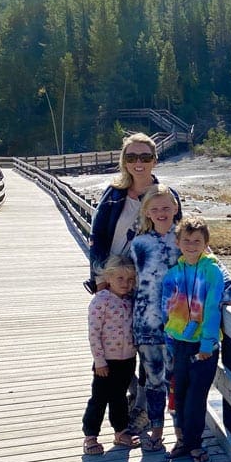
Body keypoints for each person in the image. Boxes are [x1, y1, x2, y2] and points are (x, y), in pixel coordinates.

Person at [130, 187, 231, 454]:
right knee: (153, 380)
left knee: (176, 383)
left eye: (166, 207)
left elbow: (215, 267)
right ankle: (156, 429)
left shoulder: (185, 238)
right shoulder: (139, 244)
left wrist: (230, 293)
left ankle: (181, 435)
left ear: (175, 208)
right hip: (147, 322)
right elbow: (125, 273)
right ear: (146, 212)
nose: (161, 213)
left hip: (178, 328)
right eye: (154, 209)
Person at [86, 133, 181, 431]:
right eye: (131, 157)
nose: (138, 163)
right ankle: (122, 399)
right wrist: (101, 279)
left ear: (154, 159)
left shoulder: (164, 194)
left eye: (144, 157)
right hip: (115, 282)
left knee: (146, 347)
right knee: (116, 343)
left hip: (150, 287)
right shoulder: (113, 194)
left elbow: (179, 239)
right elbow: (97, 238)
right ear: (124, 161)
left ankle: (140, 408)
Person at [161, 216, 226, 462]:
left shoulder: (212, 271)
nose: (191, 245)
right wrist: (169, 336)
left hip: (203, 346)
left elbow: (212, 309)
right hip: (178, 342)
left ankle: (195, 443)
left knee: (197, 396)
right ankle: (185, 441)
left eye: (197, 241)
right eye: (186, 241)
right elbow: (166, 306)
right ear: (178, 242)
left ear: (205, 243)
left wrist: (207, 345)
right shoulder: (174, 273)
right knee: (182, 393)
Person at [82, 257, 139, 456]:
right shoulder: (101, 301)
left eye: (131, 279)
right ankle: (90, 436)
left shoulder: (131, 300)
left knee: (119, 398)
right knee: (99, 398)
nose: (126, 283)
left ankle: (120, 431)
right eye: (120, 278)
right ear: (109, 278)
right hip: (106, 361)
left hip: (128, 359)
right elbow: (94, 333)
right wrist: (99, 361)